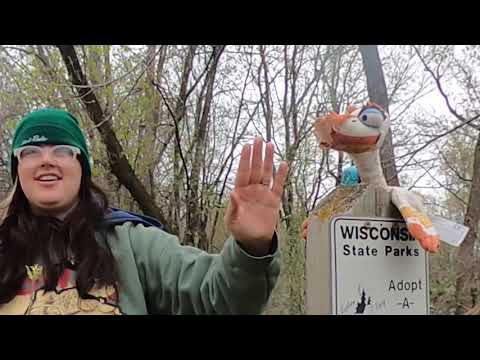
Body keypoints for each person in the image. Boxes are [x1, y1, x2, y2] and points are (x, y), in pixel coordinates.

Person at [0, 108, 288, 315]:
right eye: (31, 152)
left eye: (62, 150)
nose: (46, 160)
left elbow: (217, 298)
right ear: (18, 169)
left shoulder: (133, 244)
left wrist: (250, 248)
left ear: (82, 168)